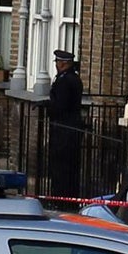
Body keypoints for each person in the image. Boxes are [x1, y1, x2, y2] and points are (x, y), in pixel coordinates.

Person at [46, 48, 84, 200]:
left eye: (58, 62)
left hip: (65, 129)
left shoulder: (66, 80)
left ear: (63, 64)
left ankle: (60, 198)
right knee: (66, 167)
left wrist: (48, 107)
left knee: (62, 166)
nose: (56, 65)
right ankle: (63, 197)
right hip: (69, 128)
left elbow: (61, 105)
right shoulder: (71, 78)